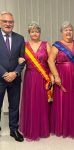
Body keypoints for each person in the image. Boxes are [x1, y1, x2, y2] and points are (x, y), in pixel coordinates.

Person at [48, 21, 74, 138]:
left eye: (70, 29)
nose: (68, 32)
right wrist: (56, 76)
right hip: (62, 76)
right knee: (63, 101)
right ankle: (63, 127)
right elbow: (50, 61)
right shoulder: (56, 45)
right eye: (66, 30)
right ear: (62, 32)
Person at [19, 22, 53, 141]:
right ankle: (31, 128)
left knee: (42, 102)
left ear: (40, 32)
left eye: (37, 31)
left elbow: (52, 61)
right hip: (30, 77)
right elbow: (19, 58)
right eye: (32, 31)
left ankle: (43, 127)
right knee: (31, 101)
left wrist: (52, 76)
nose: (35, 33)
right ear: (29, 33)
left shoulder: (46, 44)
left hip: (43, 77)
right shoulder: (24, 45)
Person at [0, 11, 25, 142]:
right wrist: (4, 73)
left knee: (14, 105)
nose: (8, 24)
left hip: (15, 78)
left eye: (10, 22)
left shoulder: (20, 38)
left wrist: (15, 73)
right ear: (0, 22)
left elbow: (22, 59)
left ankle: (14, 129)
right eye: (5, 21)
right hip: (0, 77)